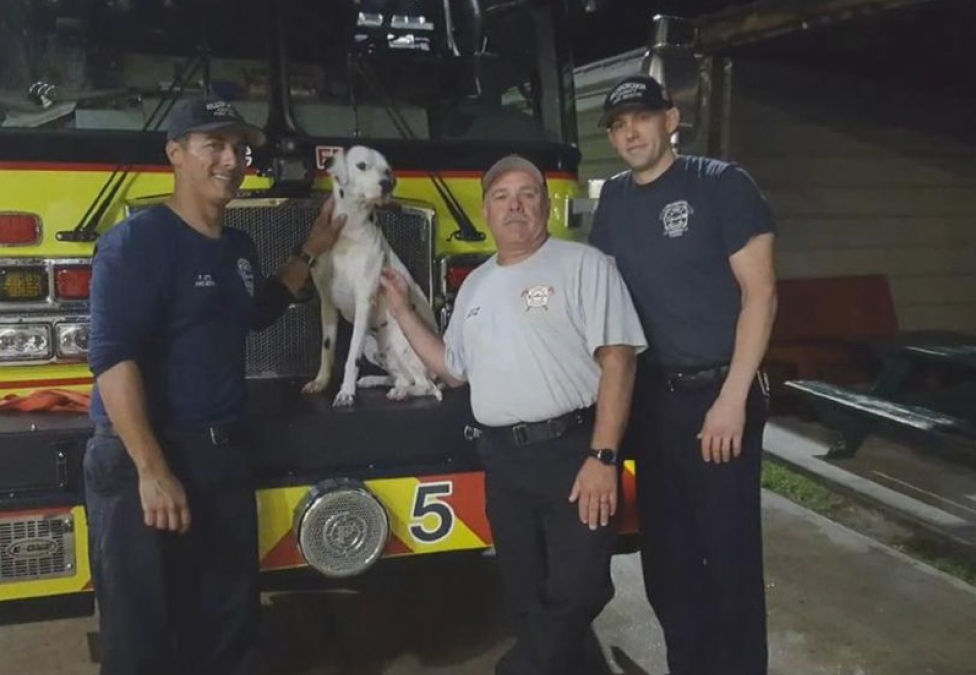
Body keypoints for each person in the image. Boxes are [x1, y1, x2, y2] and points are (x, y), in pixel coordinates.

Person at [83, 96, 343, 675]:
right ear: (175, 154)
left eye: (240, 148)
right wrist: (153, 472)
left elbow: (253, 312)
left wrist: (311, 249)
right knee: (142, 640)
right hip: (146, 461)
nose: (232, 159)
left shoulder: (237, 248)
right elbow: (112, 358)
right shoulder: (137, 243)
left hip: (222, 457)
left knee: (230, 628)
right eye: (214, 145)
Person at [379, 155, 646, 675]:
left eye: (527, 193)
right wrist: (403, 312)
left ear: (546, 205)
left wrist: (604, 455)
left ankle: (520, 669)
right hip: (503, 461)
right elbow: (453, 369)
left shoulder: (584, 265)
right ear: (486, 211)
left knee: (581, 585)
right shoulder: (476, 285)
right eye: (502, 197)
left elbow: (619, 360)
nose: (515, 206)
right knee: (524, 591)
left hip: (573, 452)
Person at [588, 74, 778, 675]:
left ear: (671, 119)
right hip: (652, 403)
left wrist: (732, 399)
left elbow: (761, 295)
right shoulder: (614, 200)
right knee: (666, 561)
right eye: (618, 126)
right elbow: (602, 302)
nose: (629, 133)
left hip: (719, 394)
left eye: (641, 118)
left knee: (727, 560)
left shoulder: (722, 185)